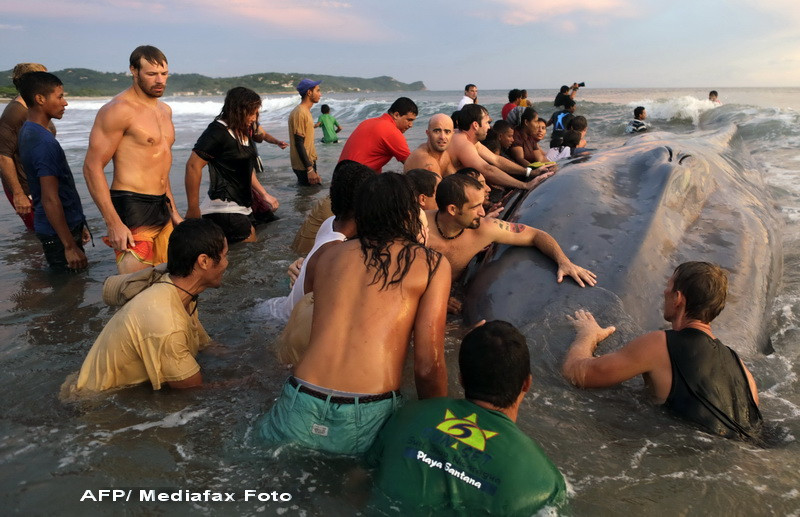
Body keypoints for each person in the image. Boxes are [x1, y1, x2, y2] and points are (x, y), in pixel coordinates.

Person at [256, 173, 451, 455]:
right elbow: (427, 366)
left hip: (296, 402)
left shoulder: (330, 256)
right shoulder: (431, 264)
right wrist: (437, 428)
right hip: (364, 414)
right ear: (410, 212)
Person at [367, 320, 567, 515]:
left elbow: (357, 481)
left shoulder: (407, 415)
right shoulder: (544, 482)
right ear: (527, 384)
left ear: (461, 378)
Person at [562, 261, 763, 441]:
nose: (664, 293)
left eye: (668, 287)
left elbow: (578, 374)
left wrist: (588, 335)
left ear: (678, 298)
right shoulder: (742, 369)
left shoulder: (659, 344)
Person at [64, 219, 228, 394]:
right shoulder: (167, 322)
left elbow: (203, 344)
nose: (227, 263)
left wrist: (249, 355)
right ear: (203, 261)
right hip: (94, 404)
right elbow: (192, 391)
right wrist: (251, 382)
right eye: (225, 256)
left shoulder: (177, 288)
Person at [83, 45, 182, 274]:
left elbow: (161, 165)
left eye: (164, 74)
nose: (159, 80)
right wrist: (113, 222)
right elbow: (91, 167)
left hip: (161, 205)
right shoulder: (118, 110)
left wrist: (174, 211)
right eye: (151, 74)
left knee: (167, 282)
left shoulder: (164, 110)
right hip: (132, 206)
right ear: (134, 71)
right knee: (135, 287)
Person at [426, 174, 596, 285]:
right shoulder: (417, 228)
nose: (483, 213)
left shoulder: (484, 229)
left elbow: (536, 235)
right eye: (475, 207)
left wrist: (564, 261)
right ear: (453, 210)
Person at [263, 160, 374, 324]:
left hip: (273, 310)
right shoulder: (338, 253)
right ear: (365, 205)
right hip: (281, 325)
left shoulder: (330, 223)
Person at [185, 87, 279, 244]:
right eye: (251, 113)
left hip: (242, 206)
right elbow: (192, 167)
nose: (254, 118)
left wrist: (264, 194)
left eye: (256, 113)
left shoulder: (242, 131)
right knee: (249, 244)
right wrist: (193, 209)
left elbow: (245, 169)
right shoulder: (217, 131)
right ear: (238, 110)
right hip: (222, 207)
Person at [17, 72, 90, 271]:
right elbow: (50, 199)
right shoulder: (44, 142)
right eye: (59, 96)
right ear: (40, 99)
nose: (65, 103)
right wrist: (69, 245)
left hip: (57, 227)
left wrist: (78, 223)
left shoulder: (28, 130)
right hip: (57, 233)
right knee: (70, 291)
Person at [0, 63, 54, 231]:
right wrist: (18, 194)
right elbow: (3, 155)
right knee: (44, 234)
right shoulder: (15, 112)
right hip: (26, 187)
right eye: (43, 78)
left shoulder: (33, 107)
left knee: (49, 234)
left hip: (41, 183)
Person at [448, 105, 548, 190]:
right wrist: (525, 185)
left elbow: (496, 160)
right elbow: (487, 170)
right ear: (475, 125)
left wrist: (529, 172)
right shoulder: (464, 143)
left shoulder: (468, 138)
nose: (489, 127)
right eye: (487, 122)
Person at [338, 97, 417, 173]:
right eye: (409, 120)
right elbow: (411, 166)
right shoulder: (392, 132)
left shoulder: (367, 122)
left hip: (339, 178)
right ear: (396, 115)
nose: (411, 125)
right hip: (356, 181)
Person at [288, 78, 323, 186]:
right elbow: (299, 143)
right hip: (303, 165)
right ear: (309, 92)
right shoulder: (300, 112)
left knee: (308, 195)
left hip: (307, 161)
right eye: (317, 90)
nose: (320, 94)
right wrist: (309, 170)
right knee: (309, 196)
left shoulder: (305, 111)